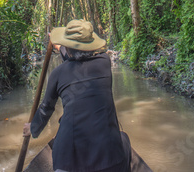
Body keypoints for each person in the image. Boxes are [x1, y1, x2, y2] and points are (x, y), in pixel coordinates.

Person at [23, 19, 131, 172]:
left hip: (68, 162)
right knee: (124, 138)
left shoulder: (57, 74)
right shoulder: (104, 62)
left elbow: (46, 108)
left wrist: (32, 129)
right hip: (111, 160)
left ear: (68, 47)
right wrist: (62, 48)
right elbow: (78, 61)